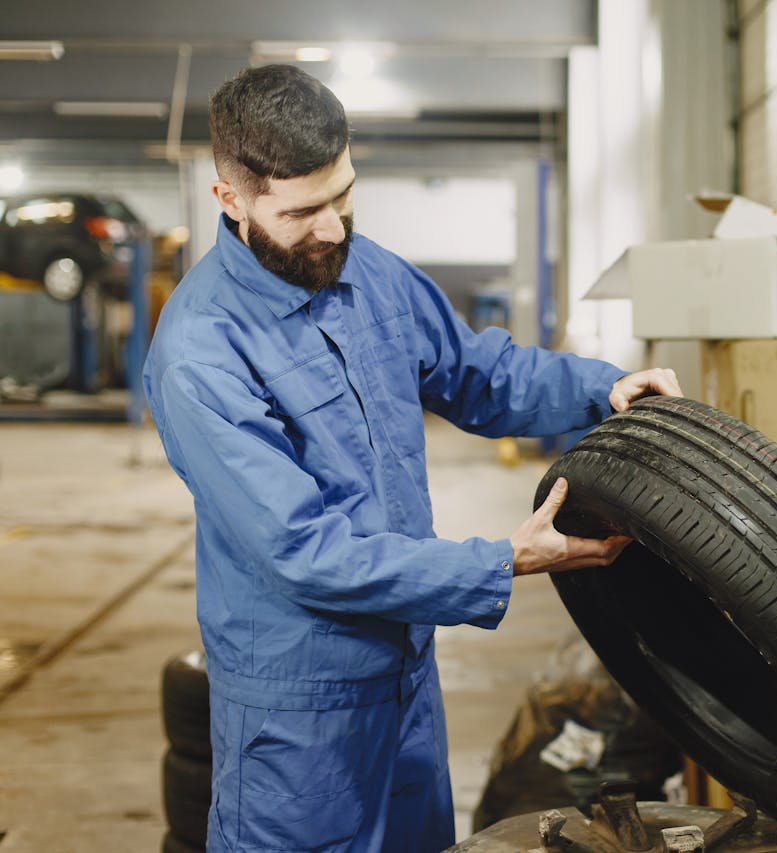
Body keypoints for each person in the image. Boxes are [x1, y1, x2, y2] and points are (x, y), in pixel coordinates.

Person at [142, 64, 681, 852]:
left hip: (406, 684)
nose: (331, 229)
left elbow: (477, 373)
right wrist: (502, 561)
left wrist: (605, 390)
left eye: (343, 195)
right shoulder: (200, 352)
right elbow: (304, 550)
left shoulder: (370, 272)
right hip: (299, 719)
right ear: (231, 199)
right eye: (301, 211)